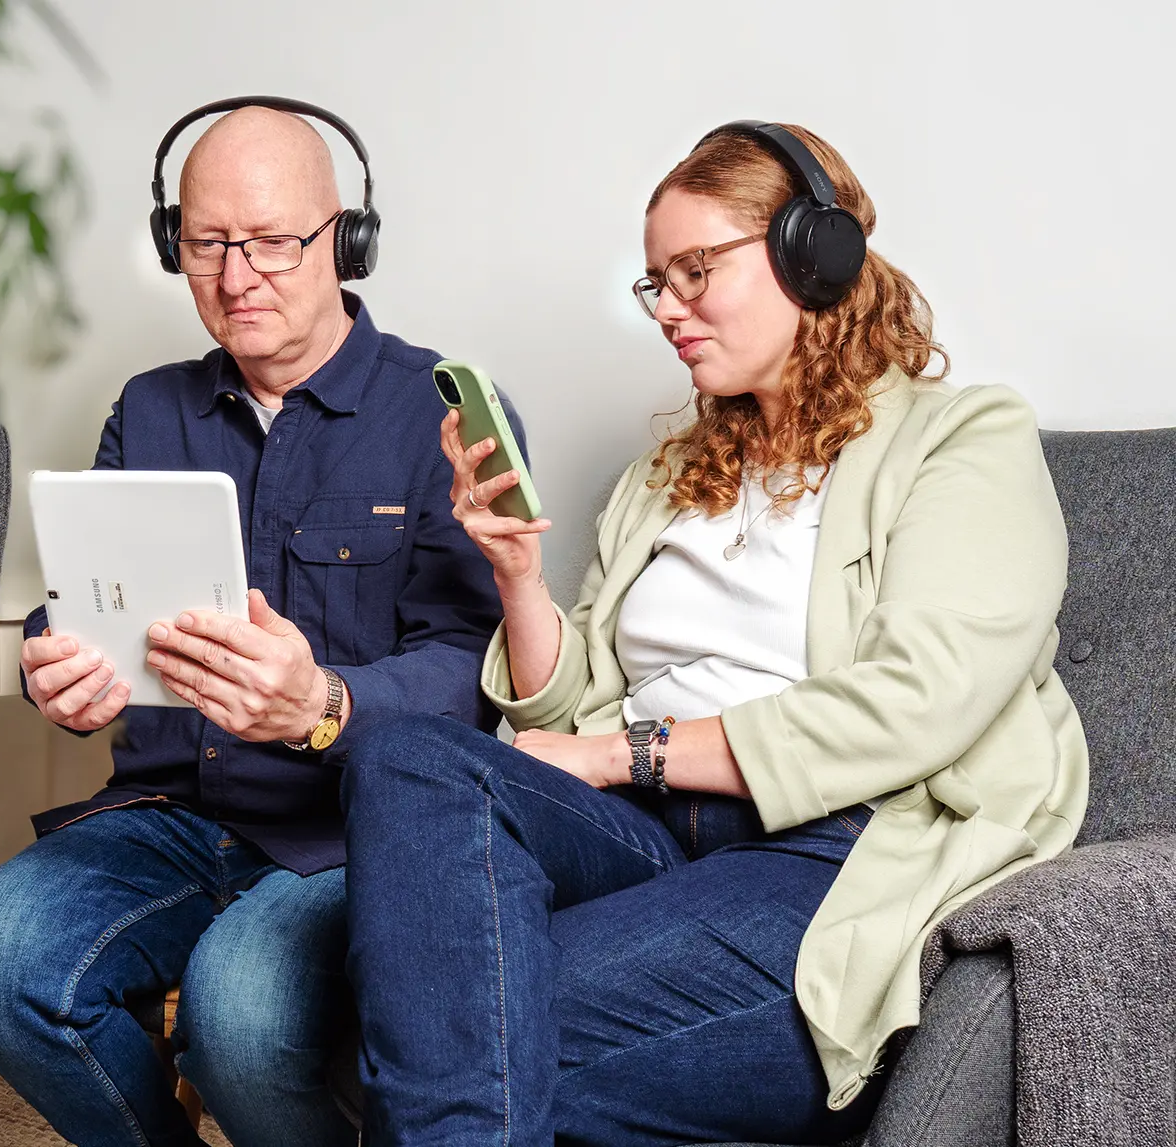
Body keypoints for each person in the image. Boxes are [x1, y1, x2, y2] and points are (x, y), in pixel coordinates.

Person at [340, 121, 1088, 1145]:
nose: (668, 310)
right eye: (656, 282)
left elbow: (916, 699)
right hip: (646, 836)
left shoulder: (962, 442)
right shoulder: (665, 480)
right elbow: (569, 702)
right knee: (409, 760)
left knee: (448, 1018)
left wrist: (621, 753)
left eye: (697, 269)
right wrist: (514, 570)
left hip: (827, 851)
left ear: (810, 253)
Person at [0, 99, 511, 1147]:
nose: (236, 275)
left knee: (241, 1020)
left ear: (345, 241)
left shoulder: (441, 410)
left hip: (346, 831)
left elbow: (476, 673)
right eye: (206, 243)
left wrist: (326, 703)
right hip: (164, 809)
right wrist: (50, 664)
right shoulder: (151, 406)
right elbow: (82, 600)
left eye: (272, 242)